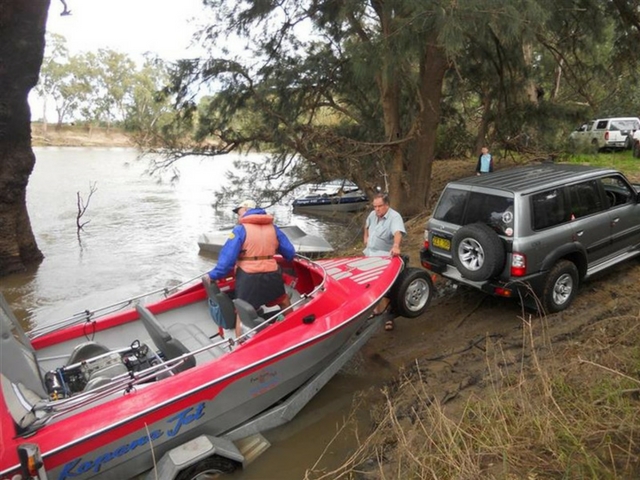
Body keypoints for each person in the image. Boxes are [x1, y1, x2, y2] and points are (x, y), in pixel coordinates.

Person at [205, 199, 296, 338]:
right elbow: (289, 253)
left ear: (247, 210)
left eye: (239, 211)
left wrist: (214, 275)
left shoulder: (240, 229)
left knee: (242, 311)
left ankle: (239, 344)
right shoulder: (274, 228)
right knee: (283, 301)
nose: (238, 216)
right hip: (272, 272)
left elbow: (227, 259)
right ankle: (295, 328)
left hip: (248, 275)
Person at [363, 193, 406, 330]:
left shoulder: (394, 217)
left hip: (384, 258)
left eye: (380, 206)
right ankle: (375, 310)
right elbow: (366, 225)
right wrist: (366, 237)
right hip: (369, 255)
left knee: (387, 288)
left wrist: (396, 246)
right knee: (369, 285)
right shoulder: (372, 215)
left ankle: (389, 316)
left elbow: (398, 232)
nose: (377, 209)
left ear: (386, 205)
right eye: (375, 206)